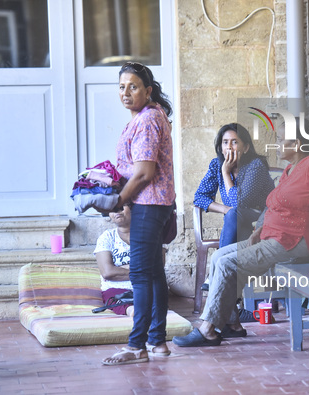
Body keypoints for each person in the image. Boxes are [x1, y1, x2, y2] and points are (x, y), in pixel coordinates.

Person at [172, 118, 309, 347]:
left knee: (228, 264)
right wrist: (259, 230)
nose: (276, 143)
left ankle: (207, 330)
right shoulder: (290, 170)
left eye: (280, 139)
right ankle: (231, 324)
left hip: (294, 240)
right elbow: (274, 206)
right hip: (272, 236)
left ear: (295, 143)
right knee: (218, 257)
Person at [101, 62, 175, 365]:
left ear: (148, 90)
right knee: (154, 274)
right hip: (152, 203)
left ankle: (137, 346)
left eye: (133, 86)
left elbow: (144, 173)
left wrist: (119, 199)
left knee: (141, 275)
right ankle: (158, 342)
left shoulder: (147, 120)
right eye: (121, 87)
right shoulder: (147, 116)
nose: (126, 93)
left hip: (149, 204)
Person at [194, 123, 274, 248]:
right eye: (225, 142)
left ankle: (222, 260)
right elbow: (199, 197)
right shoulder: (216, 165)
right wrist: (226, 209)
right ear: (220, 148)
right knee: (235, 219)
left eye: (234, 142)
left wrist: (225, 173)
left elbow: (239, 203)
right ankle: (231, 264)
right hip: (237, 221)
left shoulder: (255, 165)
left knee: (235, 215)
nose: (229, 147)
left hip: (262, 219)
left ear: (246, 148)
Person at [94, 203, 134, 317]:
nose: (117, 211)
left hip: (143, 287)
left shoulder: (146, 235)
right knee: (114, 298)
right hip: (116, 289)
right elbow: (107, 273)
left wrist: (119, 269)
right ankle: (131, 310)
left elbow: (155, 268)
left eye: (122, 206)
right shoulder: (107, 237)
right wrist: (139, 270)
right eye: (112, 208)